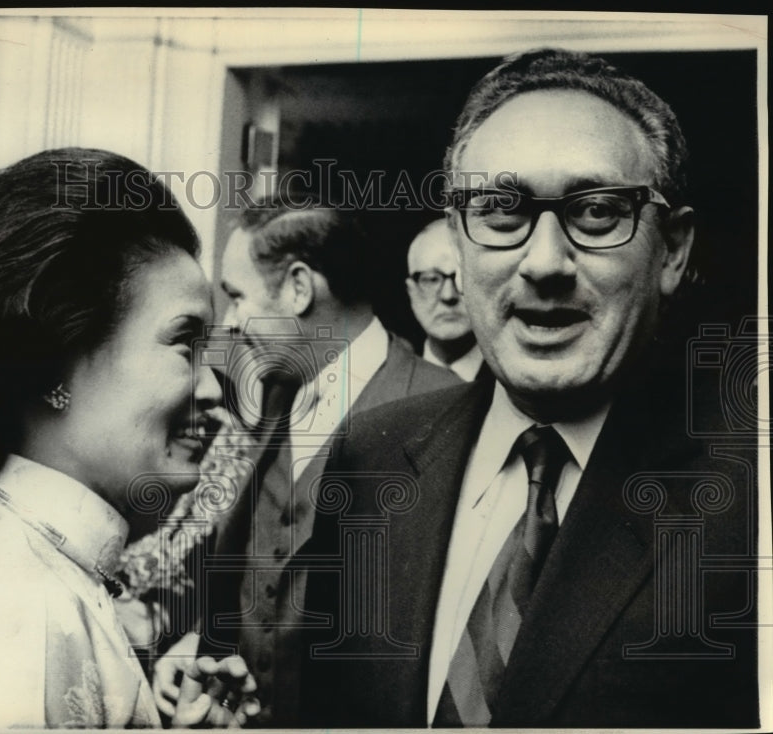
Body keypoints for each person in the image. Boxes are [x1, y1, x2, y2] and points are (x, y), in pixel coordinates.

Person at [302, 49, 758, 728]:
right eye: (499, 211)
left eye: (597, 211)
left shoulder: (749, 499)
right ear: (458, 245)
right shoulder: (370, 458)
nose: (545, 263)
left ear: (672, 250)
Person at [0, 148, 259, 728]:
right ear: (51, 364)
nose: (213, 389)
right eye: (184, 343)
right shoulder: (14, 626)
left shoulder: (46, 570)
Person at [152, 201, 459, 726]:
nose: (232, 323)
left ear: (298, 287)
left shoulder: (444, 408)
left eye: (238, 297)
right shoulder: (275, 395)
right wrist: (199, 643)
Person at [406, 217, 484, 380]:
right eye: (431, 279)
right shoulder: (394, 377)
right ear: (411, 291)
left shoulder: (511, 381)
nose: (448, 295)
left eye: (462, 277)